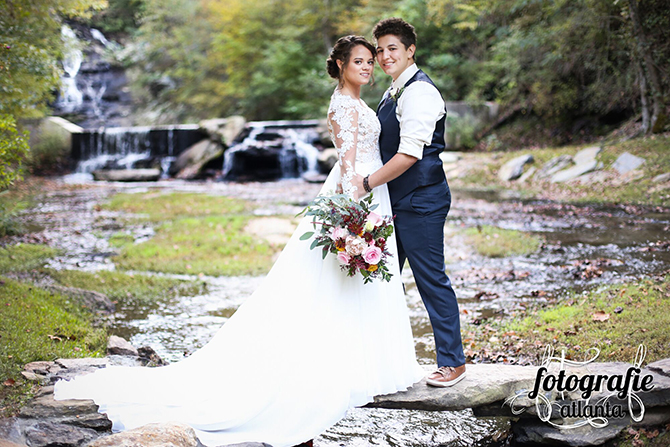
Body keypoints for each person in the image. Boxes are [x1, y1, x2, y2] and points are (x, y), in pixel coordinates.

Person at [53, 35, 424, 447]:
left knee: (351, 283)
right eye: (359, 61)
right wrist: (353, 216)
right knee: (333, 283)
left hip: (370, 191)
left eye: (370, 61)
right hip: (359, 192)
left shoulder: (357, 101)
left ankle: (363, 363)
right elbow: (349, 164)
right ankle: (335, 368)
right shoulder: (342, 105)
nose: (368, 67)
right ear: (339, 65)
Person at [350, 18, 467, 387]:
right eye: (379, 50)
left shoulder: (420, 93)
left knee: (431, 280)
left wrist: (366, 183)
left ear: (410, 50)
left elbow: (410, 155)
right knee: (376, 280)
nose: (383, 57)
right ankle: (378, 360)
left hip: (421, 201)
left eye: (392, 49)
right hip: (393, 202)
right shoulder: (393, 91)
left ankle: (453, 362)